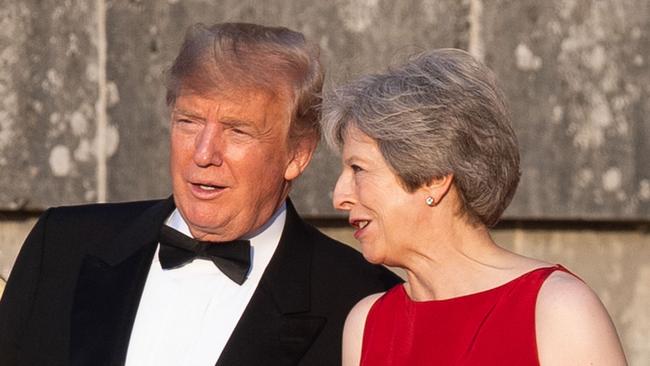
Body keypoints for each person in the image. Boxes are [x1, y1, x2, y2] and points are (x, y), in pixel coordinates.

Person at [0, 23, 401, 366]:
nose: (204, 153)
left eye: (237, 130)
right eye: (189, 122)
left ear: (297, 154)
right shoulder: (63, 245)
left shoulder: (361, 299)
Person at [321, 49, 627, 365]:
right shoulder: (367, 323)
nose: (339, 196)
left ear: (433, 178)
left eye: (358, 169)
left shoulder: (556, 310)